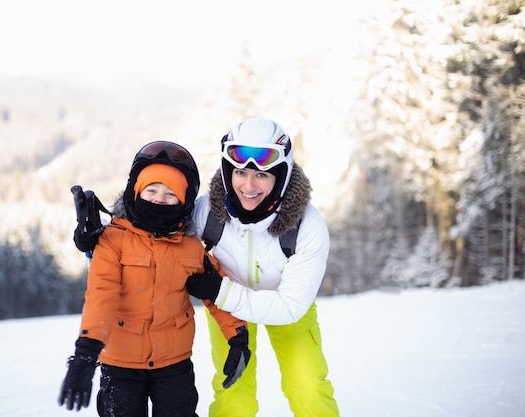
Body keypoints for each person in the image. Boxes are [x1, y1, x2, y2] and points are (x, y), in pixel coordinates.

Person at [58, 141, 251, 417]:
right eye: (152, 190)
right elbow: (102, 296)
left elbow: (216, 293)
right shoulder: (113, 241)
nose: (160, 198)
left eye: (170, 193)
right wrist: (86, 353)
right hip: (120, 364)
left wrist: (238, 337)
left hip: (174, 365)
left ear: (184, 200)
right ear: (136, 191)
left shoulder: (191, 247)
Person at [185, 118, 340, 417]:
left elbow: (291, 306)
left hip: (284, 304)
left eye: (262, 175)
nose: (249, 186)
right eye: (240, 173)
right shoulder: (207, 213)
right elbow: (154, 234)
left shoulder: (306, 225)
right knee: (233, 389)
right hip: (228, 312)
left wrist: (220, 291)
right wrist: (100, 238)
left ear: (281, 176)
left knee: (307, 385)